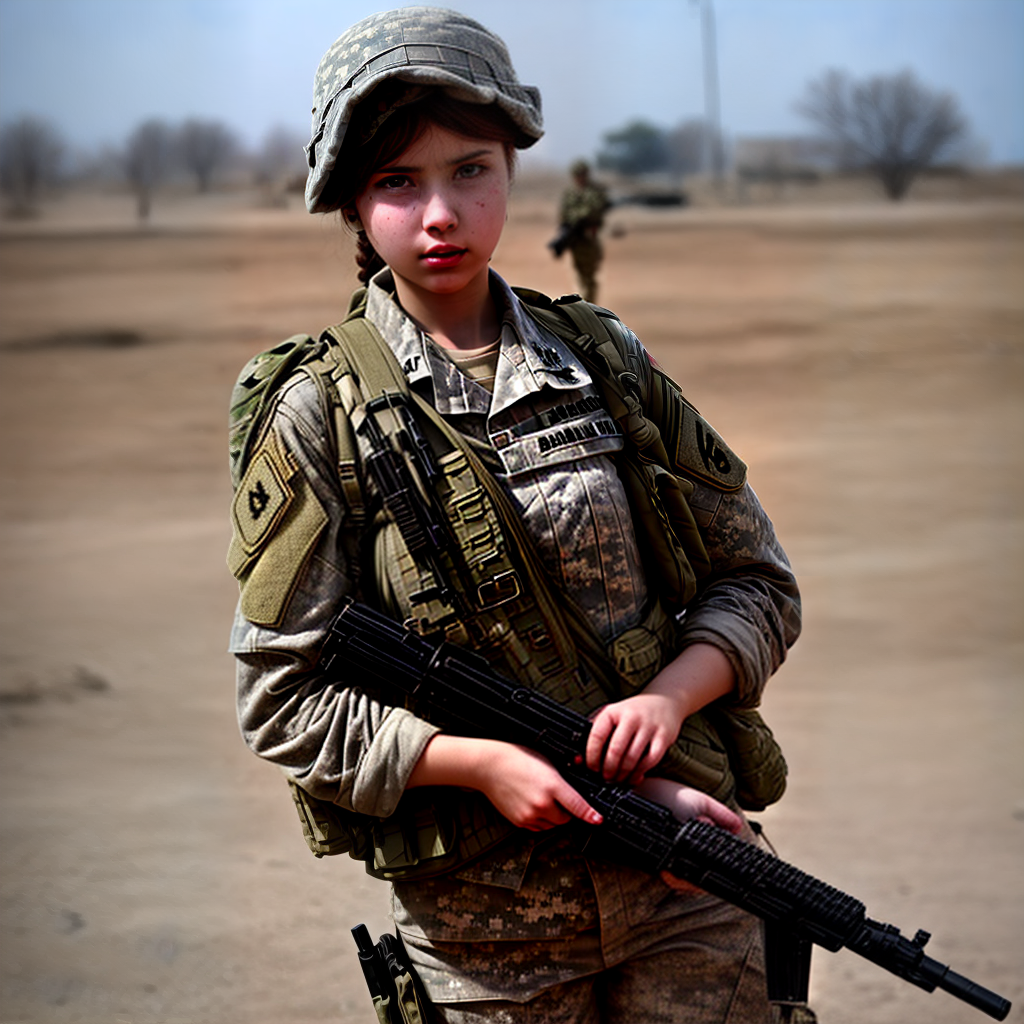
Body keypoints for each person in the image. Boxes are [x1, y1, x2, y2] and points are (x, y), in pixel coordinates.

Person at [228, 7, 801, 1022]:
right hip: (486, 933)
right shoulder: (318, 409)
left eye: (470, 169)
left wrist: (668, 698)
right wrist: (477, 761)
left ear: (512, 171)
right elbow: (283, 696)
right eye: (396, 181)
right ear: (351, 205)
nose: (439, 212)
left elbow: (754, 581)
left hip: (686, 887)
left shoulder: (604, 360)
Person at [551, 159, 612, 303]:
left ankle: (590, 306)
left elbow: (593, 211)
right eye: (577, 175)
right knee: (579, 272)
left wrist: (576, 216)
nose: (579, 177)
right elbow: (564, 213)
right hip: (574, 239)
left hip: (588, 237)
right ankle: (585, 303)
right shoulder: (570, 193)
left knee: (589, 274)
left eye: (582, 174)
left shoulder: (595, 191)